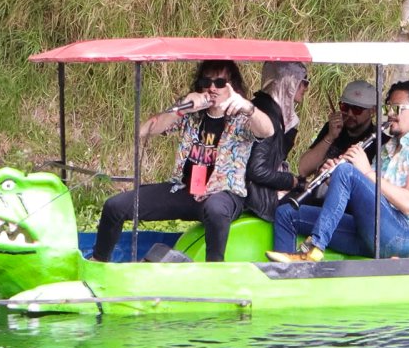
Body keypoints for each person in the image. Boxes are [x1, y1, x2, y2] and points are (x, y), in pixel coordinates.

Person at [92, 60, 274, 262]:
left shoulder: (242, 115)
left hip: (224, 192)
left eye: (220, 82)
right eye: (207, 81)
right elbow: (146, 130)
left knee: (216, 209)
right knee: (115, 205)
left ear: (233, 86)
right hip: (185, 189)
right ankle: (98, 262)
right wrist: (181, 108)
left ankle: (214, 273)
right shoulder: (191, 113)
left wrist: (249, 108)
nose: (212, 88)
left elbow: (267, 130)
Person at [266, 80, 409, 262]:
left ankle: (314, 248)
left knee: (346, 171)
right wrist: (335, 178)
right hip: (370, 230)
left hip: (403, 236)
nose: (390, 114)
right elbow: (368, 194)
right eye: (388, 108)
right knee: (286, 213)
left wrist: (365, 173)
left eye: (398, 109)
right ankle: (287, 280)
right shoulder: (388, 147)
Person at [295, 79, 379, 205]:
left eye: (357, 110)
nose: (350, 114)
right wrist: (330, 137)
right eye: (345, 107)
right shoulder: (332, 128)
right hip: (317, 197)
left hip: (348, 204)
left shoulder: (378, 140)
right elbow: (303, 169)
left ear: (372, 111)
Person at [245, 61, 310, 222]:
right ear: (288, 82)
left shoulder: (268, 109)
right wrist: (294, 182)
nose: (306, 88)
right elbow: (257, 170)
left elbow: (276, 156)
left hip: (257, 194)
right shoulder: (268, 117)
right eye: (303, 82)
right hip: (259, 201)